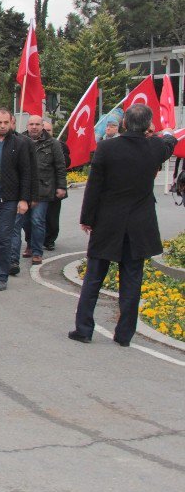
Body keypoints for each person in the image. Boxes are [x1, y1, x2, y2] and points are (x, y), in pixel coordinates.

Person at [69, 104, 177, 346]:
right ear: (149, 125)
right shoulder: (156, 147)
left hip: (107, 222)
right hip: (139, 224)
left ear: (124, 123)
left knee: (94, 277)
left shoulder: (107, 147)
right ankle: (124, 335)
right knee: (132, 279)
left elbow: (94, 186)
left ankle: (84, 328)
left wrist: (87, 218)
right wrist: (160, 132)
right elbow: (170, 141)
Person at [0, 109, 31, 290]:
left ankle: (1, 275)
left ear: (11, 122)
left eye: (6, 122)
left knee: (4, 238)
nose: (2, 126)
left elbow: (26, 173)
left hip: (9, 199)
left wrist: (24, 199)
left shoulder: (19, 143)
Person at [11, 116, 66, 266]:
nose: (34, 127)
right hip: (23, 189)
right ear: (27, 126)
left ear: (42, 126)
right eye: (31, 124)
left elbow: (60, 166)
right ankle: (30, 243)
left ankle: (37, 252)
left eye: (37, 124)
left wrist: (61, 187)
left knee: (37, 220)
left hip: (43, 189)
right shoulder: (19, 141)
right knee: (25, 222)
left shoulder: (53, 144)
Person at [41, 120, 69, 251]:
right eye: (44, 129)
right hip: (39, 187)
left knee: (52, 216)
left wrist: (61, 186)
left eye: (49, 130)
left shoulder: (59, 145)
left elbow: (63, 166)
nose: (46, 133)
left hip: (53, 187)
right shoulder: (33, 144)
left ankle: (50, 239)